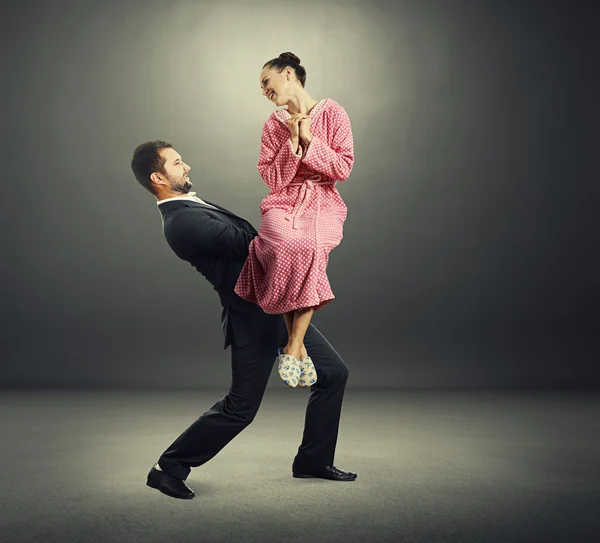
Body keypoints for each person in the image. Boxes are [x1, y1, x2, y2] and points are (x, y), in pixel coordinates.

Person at [129, 141, 357, 500]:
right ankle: (167, 468)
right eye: (176, 163)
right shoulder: (183, 222)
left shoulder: (191, 205)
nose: (186, 165)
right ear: (158, 177)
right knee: (241, 408)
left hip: (276, 308)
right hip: (252, 320)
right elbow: (257, 245)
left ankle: (313, 460)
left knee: (334, 374)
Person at [234, 52, 354, 389]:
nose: (263, 91)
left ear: (288, 73)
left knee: (312, 247)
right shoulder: (273, 125)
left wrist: (310, 140)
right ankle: (296, 348)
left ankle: (293, 346)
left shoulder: (334, 114)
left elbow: (343, 169)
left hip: (323, 202)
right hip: (283, 202)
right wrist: (290, 142)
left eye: (266, 82)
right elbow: (272, 180)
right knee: (283, 244)